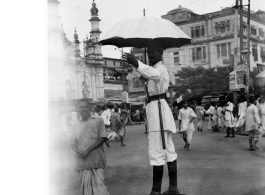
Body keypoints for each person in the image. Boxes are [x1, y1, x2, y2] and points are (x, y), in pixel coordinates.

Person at [122, 42, 181, 195]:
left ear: (161, 52)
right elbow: (150, 77)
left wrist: (137, 62)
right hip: (159, 111)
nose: (152, 55)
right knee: (168, 151)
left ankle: (156, 191)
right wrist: (137, 69)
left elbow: (154, 75)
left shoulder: (160, 69)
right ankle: (173, 188)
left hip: (158, 113)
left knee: (157, 153)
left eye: (155, 52)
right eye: (150, 53)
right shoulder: (156, 69)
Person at [70, 98, 110, 195]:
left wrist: (87, 150)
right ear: (78, 109)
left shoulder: (98, 120)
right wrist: (78, 151)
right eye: (81, 107)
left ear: (90, 108)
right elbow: (72, 142)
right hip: (82, 162)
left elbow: (103, 137)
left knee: (99, 189)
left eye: (85, 107)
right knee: (85, 190)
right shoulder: (76, 124)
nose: (83, 109)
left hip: (96, 160)